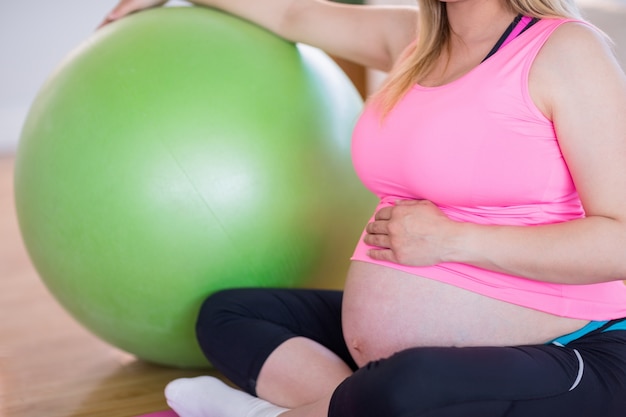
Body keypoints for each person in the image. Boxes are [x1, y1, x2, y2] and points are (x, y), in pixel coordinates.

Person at [103, 0, 626, 416]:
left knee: (410, 385)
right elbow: (292, 14)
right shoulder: (412, 43)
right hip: (401, 356)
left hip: (576, 345)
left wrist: (456, 240)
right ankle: (349, 404)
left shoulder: (565, 50)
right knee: (228, 314)